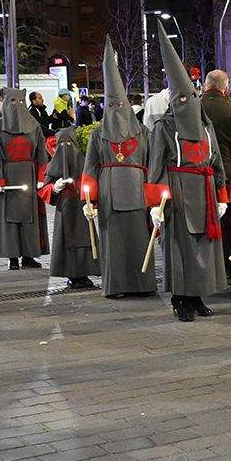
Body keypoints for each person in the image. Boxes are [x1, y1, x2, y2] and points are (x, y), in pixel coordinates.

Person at [146, 28, 229, 322]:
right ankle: (180, 298)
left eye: (191, 97)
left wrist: (221, 195)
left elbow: (216, 160)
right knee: (180, 248)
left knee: (201, 247)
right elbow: (156, 165)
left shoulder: (206, 128)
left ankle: (196, 295)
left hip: (204, 190)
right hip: (178, 193)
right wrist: (156, 203)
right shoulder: (164, 129)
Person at [79, 41, 158, 298]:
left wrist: (155, 197)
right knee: (113, 242)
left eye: (120, 105)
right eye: (111, 106)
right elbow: (90, 167)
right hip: (108, 193)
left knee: (139, 237)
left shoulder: (143, 133)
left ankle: (143, 283)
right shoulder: (98, 134)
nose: (116, 111)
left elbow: (152, 165)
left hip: (137, 190)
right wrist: (87, 199)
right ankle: (116, 286)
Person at [0, 88, 49, 269]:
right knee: (9, 219)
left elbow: (42, 153)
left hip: (29, 176)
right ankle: (12, 256)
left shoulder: (34, 126)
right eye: (12, 102)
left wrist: (42, 176)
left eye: (20, 101)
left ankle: (28, 255)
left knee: (30, 218)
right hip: (7, 178)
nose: (16, 106)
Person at [42, 123, 97, 290]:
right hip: (65, 208)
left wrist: (93, 203)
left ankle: (85, 272)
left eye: (70, 144)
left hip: (81, 206)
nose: (66, 149)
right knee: (67, 240)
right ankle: (71, 274)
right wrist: (55, 188)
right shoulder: (54, 167)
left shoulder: (83, 163)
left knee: (86, 238)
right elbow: (45, 189)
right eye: (62, 145)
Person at [200, 68, 231, 269]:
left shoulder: (194, 108)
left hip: (197, 173)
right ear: (226, 88)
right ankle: (226, 265)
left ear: (205, 86)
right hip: (227, 176)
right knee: (228, 222)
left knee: (200, 220)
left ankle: (203, 263)